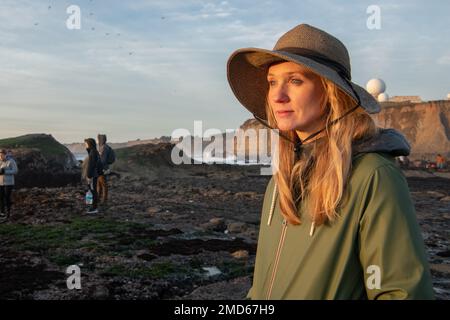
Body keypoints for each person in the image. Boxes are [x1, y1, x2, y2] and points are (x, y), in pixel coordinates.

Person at [227, 24, 434, 299]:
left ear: (330, 92)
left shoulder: (373, 176)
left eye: (295, 81)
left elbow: (402, 292)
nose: (277, 96)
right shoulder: (281, 183)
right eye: (273, 82)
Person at [83, 138, 101, 214]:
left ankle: (94, 208)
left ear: (89, 144)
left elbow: (91, 165)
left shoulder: (93, 152)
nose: (85, 145)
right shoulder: (93, 151)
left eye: (86, 144)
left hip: (92, 175)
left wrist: (89, 176)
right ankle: (93, 207)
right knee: (93, 191)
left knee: (93, 191)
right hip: (94, 174)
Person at [97, 134, 116, 205]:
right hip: (103, 168)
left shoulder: (104, 148)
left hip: (103, 168)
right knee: (99, 184)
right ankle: (99, 198)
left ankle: (104, 200)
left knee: (103, 184)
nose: (98, 141)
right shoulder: (102, 147)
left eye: (99, 139)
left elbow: (103, 160)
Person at [0, 149, 18, 219]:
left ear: (5, 154)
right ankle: (2, 213)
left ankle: (8, 213)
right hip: (1, 183)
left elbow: (15, 171)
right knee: (1, 198)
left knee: (7, 197)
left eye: (2, 155)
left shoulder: (11, 161)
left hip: (9, 183)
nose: (0, 156)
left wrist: (5, 171)